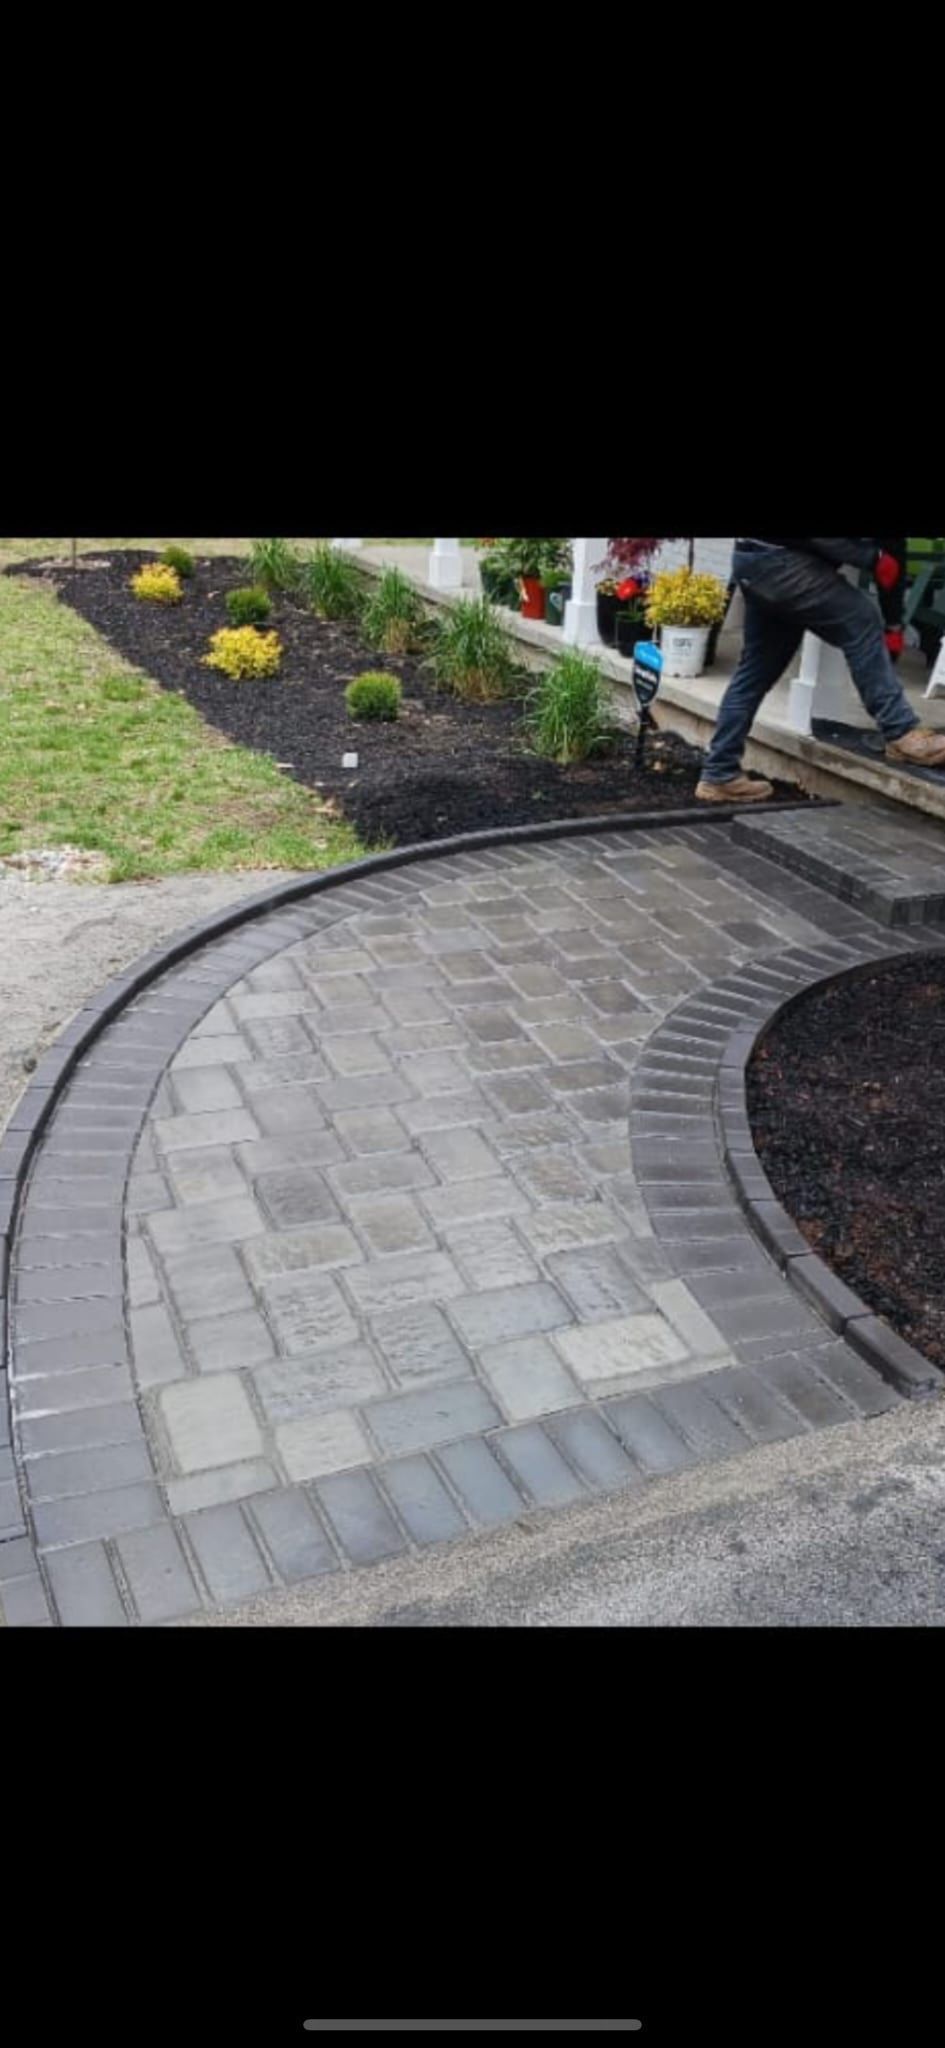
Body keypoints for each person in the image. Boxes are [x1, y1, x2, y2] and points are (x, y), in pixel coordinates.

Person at [694, 536, 945, 802]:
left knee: (756, 672)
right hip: (780, 560)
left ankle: (718, 774)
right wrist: (871, 559)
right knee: (861, 618)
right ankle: (900, 731)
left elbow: (893, 556)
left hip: (756, 561)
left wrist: (894, 625)